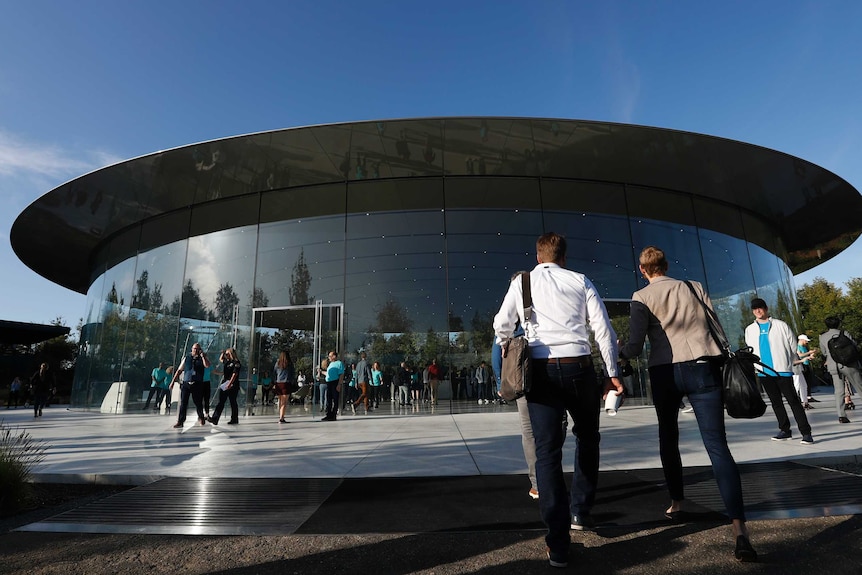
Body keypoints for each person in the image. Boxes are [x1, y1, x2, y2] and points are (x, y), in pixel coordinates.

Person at [619, 246, 757, 563]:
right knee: (717, 446)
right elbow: (714, 326)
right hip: (702, 366)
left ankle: (677, 503)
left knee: (669, 438)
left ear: (643, 270)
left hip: (665, 371)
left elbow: (636, 345)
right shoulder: (694, 287)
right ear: (666, 265)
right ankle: (740, 532)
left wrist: (620, 351)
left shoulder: (641, 297)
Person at [493, 232, 622, 569]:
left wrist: (506, 342)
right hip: (579, 366)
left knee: (547, 453)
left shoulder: (522, 283)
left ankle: (558, 542)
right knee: (588, 438)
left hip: (540, 371)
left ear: (539, 257)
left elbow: (501, 325)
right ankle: (581, 509)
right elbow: (603, 330)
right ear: (563, 256)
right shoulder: (581, 280)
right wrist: (612, 373)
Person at [744, 298, 814, 444]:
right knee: (776, 403)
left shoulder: (781, 325)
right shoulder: (750, 329)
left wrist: (791, 363)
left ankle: (806, 433)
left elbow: (792, 345)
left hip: (782, 370)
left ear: (766, 308)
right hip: (763, 371)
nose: (758, 311)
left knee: (793, 401)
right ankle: (785, 430)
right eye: (755, 308)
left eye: (760, 308)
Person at [819, 316, 862, 424]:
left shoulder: (822, 336)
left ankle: (841, 415)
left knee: (839, 391)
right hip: (849, 364)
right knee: (859, 386)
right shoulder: (844, 333)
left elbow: (824, 352)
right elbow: (854, 346)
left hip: (834, 366)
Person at [169, 342, 211, 428]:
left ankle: (201, 417)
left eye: (197, 349)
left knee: (198, 402)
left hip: (197, 383)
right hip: (186, 383)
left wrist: (203, 356)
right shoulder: (187, 358)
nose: (195, 350)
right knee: (183, 403)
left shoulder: (202, 359)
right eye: (194, 349)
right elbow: (179, 370)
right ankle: (180, 421)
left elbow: (207, 365)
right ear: (191, 349)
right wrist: (172, 382)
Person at [210, 348, 241, 425]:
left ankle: (234, 418)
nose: (226, 355)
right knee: (221, 401)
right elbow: (221, 359)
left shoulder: (236, 363)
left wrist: (230, 384)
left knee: (232, 401)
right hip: (225, 383)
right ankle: (215, 418)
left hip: (233, 384)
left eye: (227, 354)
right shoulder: (227, 362)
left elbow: (234, 374)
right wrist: (223, 353)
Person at [793, 335, 817, 409]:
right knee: (796, 385)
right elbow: (794, 360)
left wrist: (808, 357)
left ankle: (805, 402)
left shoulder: (801, 347)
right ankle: (795, 402)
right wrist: (805, 358)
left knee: (804, 385)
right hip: (795, 368)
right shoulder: (795, 348)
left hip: (800, 368)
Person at [322, 351, 344, 421]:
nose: (329, 358)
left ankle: (334, 414)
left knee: (335, 399)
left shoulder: (339, 363)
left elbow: (341, 374)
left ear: (334, 356)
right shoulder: (331, 364)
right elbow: (328, 374)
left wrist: (339, 384)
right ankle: (328, 414)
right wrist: (321, 372)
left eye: (330, 356)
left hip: (335, 382)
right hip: (329, 382)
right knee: (328, 399)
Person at [274, 350, 295, 423]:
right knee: (284, 402)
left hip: (278, 383)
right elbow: (292, 373)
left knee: (280, 401)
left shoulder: (278, 363)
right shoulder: (289, 364)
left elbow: (274, 372)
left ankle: (280, 416)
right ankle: (281, 418)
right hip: (286, 383)